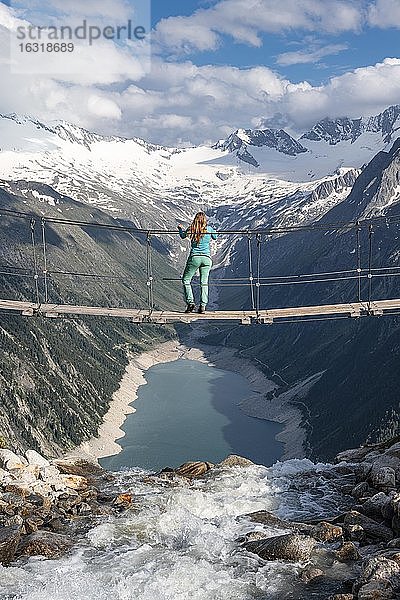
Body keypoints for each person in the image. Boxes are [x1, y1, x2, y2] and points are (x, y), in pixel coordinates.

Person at [178, 212, 217, 314]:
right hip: (207, 259)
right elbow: (215, 237)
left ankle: (190, 303)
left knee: (186, 280)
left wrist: (180, 229)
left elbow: (182, 236)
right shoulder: (209, 229)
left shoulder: (192, 228)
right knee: (203, 282)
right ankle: (202, 306)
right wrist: (213, 229)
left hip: (195, 257)